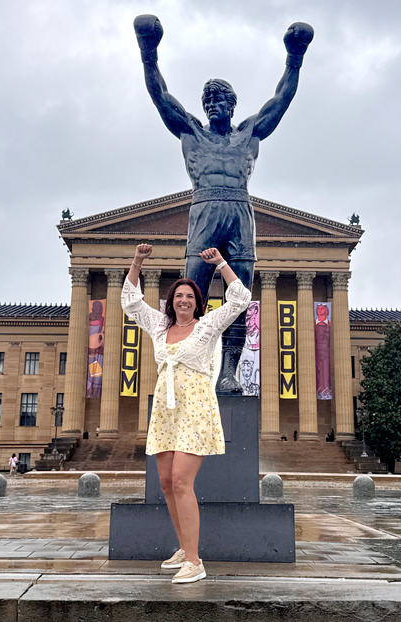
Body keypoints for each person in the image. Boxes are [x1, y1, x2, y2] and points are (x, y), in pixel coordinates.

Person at [133, 15, 313, 392]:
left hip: (240, 214)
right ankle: (187, 365)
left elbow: (282, 99)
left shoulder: (250, 132)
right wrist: (149, 52)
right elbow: (160, 96)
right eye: (207, 100)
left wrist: (294, 57)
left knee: (239, 299)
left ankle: (229, 371)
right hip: (204, 211)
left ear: (232, 105)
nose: (212, 105)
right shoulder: (189, 131)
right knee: (190, 295)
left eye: (218, 99)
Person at [121, 243, 251, 583]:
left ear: (197, 303)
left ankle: (194, 562)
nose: (183, 301)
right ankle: (183, 547)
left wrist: (222, 263)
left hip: (195, 408)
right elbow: (130, 302)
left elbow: (240, 299)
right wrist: (137, 262)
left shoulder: (208, 326)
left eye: (189, 297)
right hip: (165, 409)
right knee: (166, 483)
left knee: (181, 480)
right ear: (171, 301)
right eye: (179, 296)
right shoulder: (159, 327)